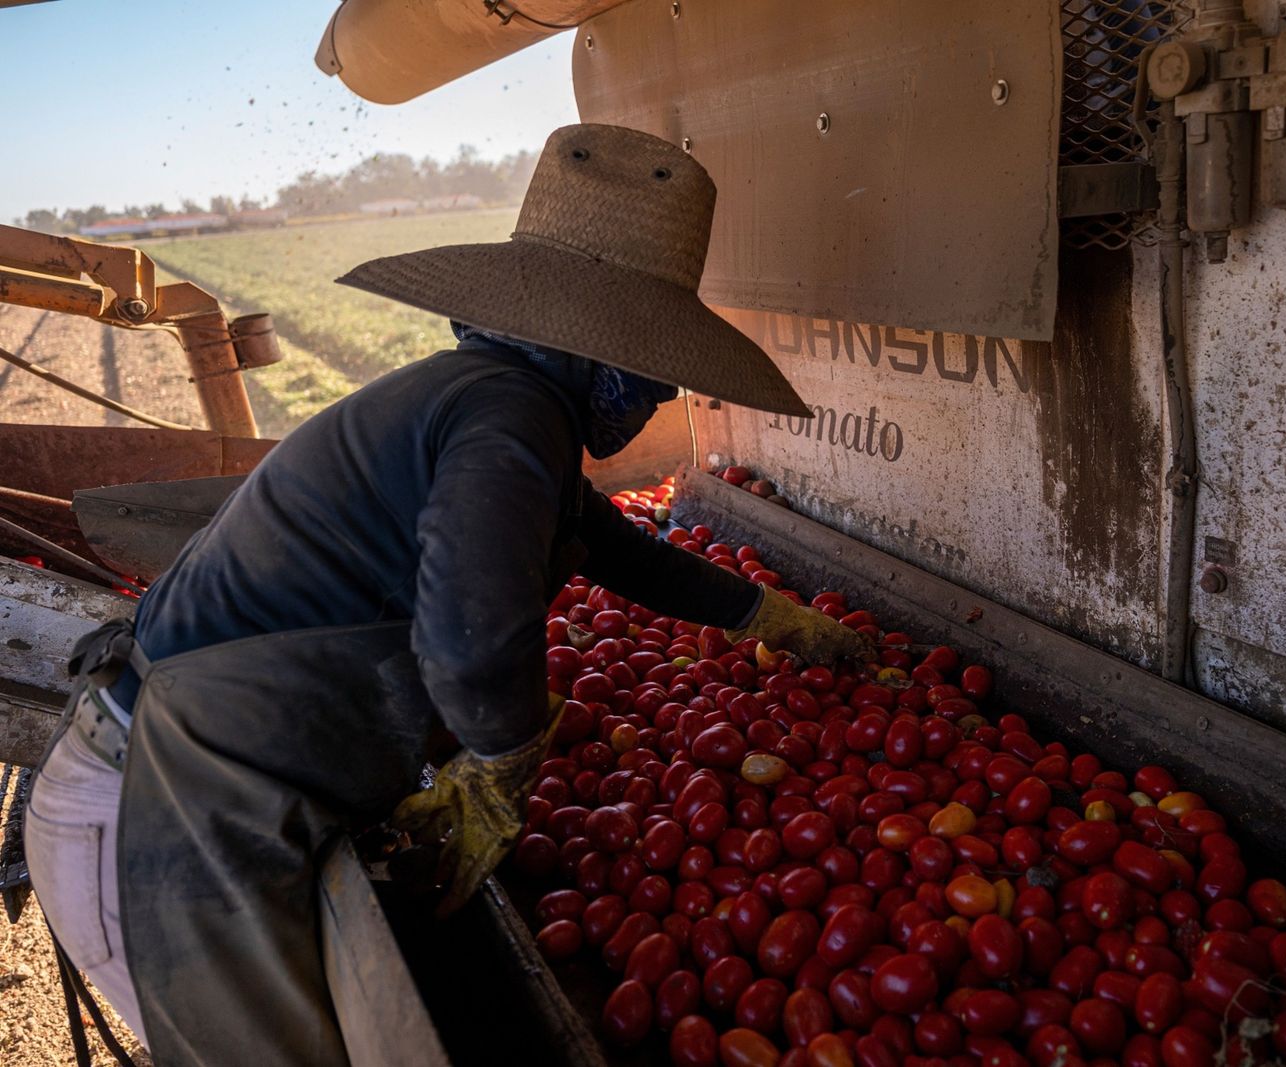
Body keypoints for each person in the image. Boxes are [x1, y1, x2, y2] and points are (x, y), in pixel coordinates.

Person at [24, 123, 865, 1066]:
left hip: (195, 782)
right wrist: (503, 760)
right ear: (600, 354)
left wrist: (762, 616)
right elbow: (470, 632)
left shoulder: (485, 399)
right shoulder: (511, 414)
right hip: (160, 812)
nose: (660, 396)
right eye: (654, 370)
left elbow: (605, 544)